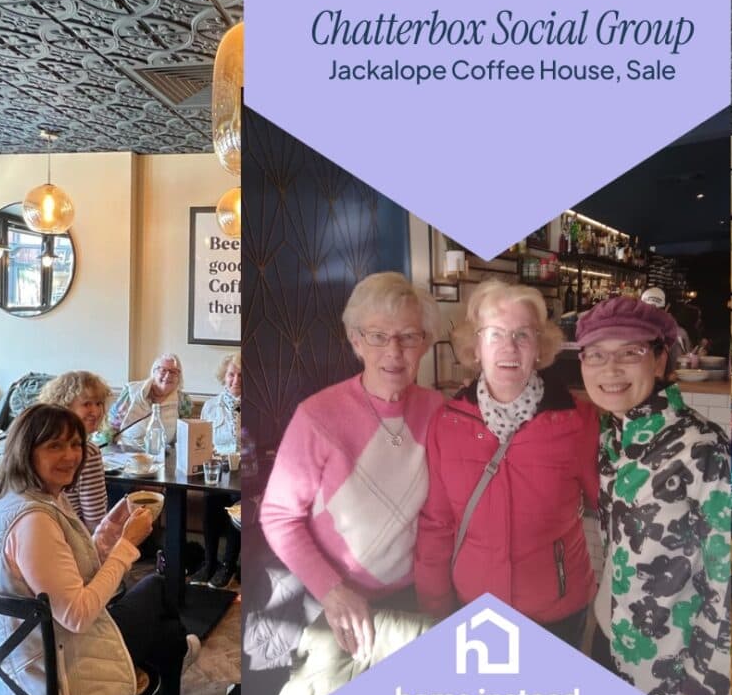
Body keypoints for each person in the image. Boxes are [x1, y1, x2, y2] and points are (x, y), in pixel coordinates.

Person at [0, 402, 208, 695]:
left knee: (158, 607)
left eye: (75, 444)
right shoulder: (34, 521)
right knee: (158, 604)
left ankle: (174, 682)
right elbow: (78, 615)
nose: (70, 455)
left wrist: (104, 538)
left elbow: (64, 578)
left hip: (35, 651)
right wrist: (127, 547)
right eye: (54, 446)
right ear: (26, 450)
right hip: (50, 677)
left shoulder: (24, 498)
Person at [260, 272, 442, 662]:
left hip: (413, 601)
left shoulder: (439, 413)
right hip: (333, 600)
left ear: (425, 344)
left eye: (409, 336)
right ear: (356, 340)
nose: (394, 351)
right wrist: (332, 591)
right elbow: (278, 516)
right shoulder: (318, 416)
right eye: (378, 336)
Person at [576, 296, 730, 695]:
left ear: (661, 359)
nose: (611, 370)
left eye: (631, 353)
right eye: (597, 355)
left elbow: (721, 585)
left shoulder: (702, 447)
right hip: (610, 640)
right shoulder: (613, 436)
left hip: (670, 671)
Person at [415, 279, 599, 646]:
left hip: (557, 610)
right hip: (474, 607)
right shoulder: (447, 424)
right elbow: (436, 524)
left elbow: (611, 510)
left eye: (523, 334)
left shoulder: (577, 420)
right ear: (476, 346)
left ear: (540, 347)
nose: (509, 347)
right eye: (495, 334)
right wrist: (435, 606)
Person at [38, 370, 112, 532]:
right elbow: (96, 523)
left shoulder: (40, 444)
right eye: (87, 404)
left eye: (99, 403)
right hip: (73, 541)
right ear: (65, 406)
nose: (96, 412)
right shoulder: (86, 452)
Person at [193, 352, 242, 587]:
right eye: (231, 374)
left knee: (237, 503)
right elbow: (201, 441)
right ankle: (209, 562)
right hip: (216, 469)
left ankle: (228, 565)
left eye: (243, 375)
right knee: (211, 499)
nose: (236, 380)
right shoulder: (211, 407)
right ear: (224, 376)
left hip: (245, 473)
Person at [108, 353, 193, 450]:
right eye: (163, 370)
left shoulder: (183, 401)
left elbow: (184, 438)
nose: (168, 375)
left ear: (179, 377)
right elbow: (111, 427)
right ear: (154, 372)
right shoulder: (132, 391)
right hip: (125, 452)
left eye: (173, 372)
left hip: (160, 455)